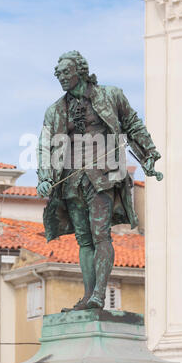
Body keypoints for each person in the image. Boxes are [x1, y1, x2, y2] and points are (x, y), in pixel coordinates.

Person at [37, 51, 161, 310]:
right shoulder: (56, 110)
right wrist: (45, 178)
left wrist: (148, 154)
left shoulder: (111, 95)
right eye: (57, 74)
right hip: (72, 181)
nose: (60, 78)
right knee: (84, 240)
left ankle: (99, 296)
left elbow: (132, 124)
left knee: (100, 235)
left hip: (103, 176)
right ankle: (88, 295)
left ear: (80, 71)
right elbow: (46, 146)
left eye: (65, 72)